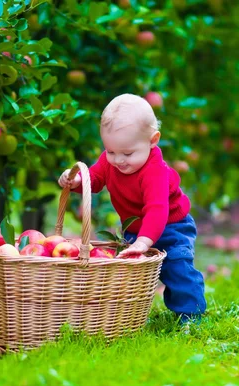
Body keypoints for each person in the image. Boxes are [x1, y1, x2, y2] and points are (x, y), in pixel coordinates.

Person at [58, 93, 206, 323]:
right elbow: (95, 178)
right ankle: (130, 313)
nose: (118, 160)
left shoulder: (154, 171)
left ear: (153, 140)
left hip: (171, 226)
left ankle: (190, 314)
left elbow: (157, 209)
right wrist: (76, 182)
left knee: (177, 267)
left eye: (127, 153)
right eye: (111, 151)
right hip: (137, 229)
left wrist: (144, 242)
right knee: (131, 272)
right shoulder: (112, 161)